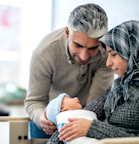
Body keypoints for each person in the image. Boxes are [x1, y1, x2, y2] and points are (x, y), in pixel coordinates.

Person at [47, 20, 139, 144]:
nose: (108, 63)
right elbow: (76, 119)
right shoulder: (120, 86)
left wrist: (93, 128)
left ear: (133, 52)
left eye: (113, 54)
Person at [24, 3, 114, 135]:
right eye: (78, 45)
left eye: (92, 48)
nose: (84, 56)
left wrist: (84, 125)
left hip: (88, 119)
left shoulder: (106, 53)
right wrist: (43, 119)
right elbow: (34, 101)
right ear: (67, 33)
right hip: (48, 124)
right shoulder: (43, 54)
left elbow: (96, 105)